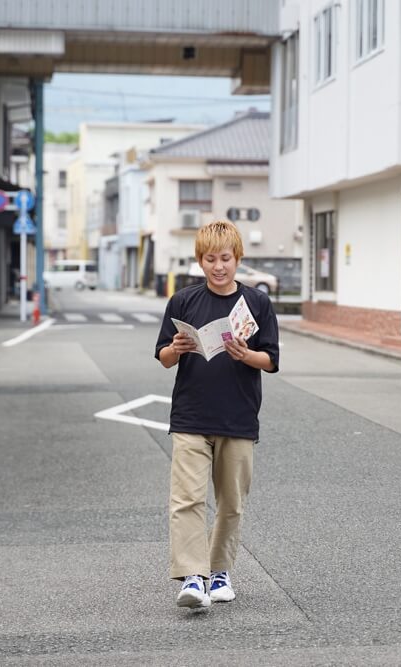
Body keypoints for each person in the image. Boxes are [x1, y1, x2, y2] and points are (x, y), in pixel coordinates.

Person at [154, 221, 280, 609]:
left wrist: (247, 355)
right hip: (191, 414)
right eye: (211, 259)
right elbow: (162, 358)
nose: (219, 266)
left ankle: (219, 570)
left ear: (237, 259)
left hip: (239, 417)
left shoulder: (256, 304)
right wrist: (176, 348)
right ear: (200, 261)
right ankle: (194, 577)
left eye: (225, 259)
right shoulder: (183, 301)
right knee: (186, 499)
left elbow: (271, 360)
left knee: (230, 502)